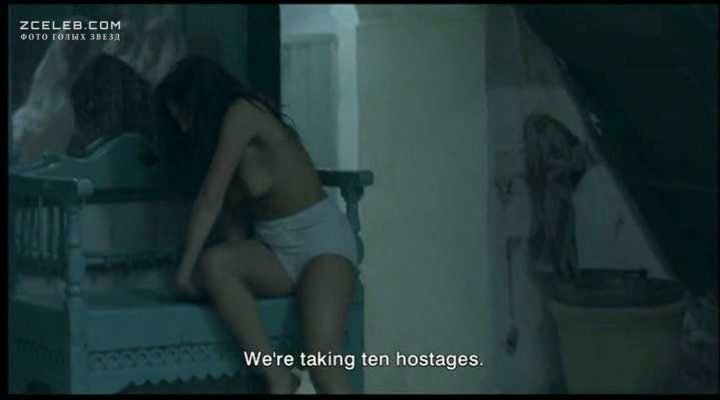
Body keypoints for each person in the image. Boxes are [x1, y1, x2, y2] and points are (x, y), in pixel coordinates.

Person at [153, 56, 359, 394]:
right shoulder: (215, 143)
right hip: (276, 253)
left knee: (322, 363)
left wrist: (183, 273)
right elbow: (232, 224)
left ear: (202, 100)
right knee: (215, 264)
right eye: (176, 119)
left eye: (185, 114)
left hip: (322, 245)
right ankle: (279, 378)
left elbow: (209, 200)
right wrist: (210, 280)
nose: (184, 127)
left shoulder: (243, 113)